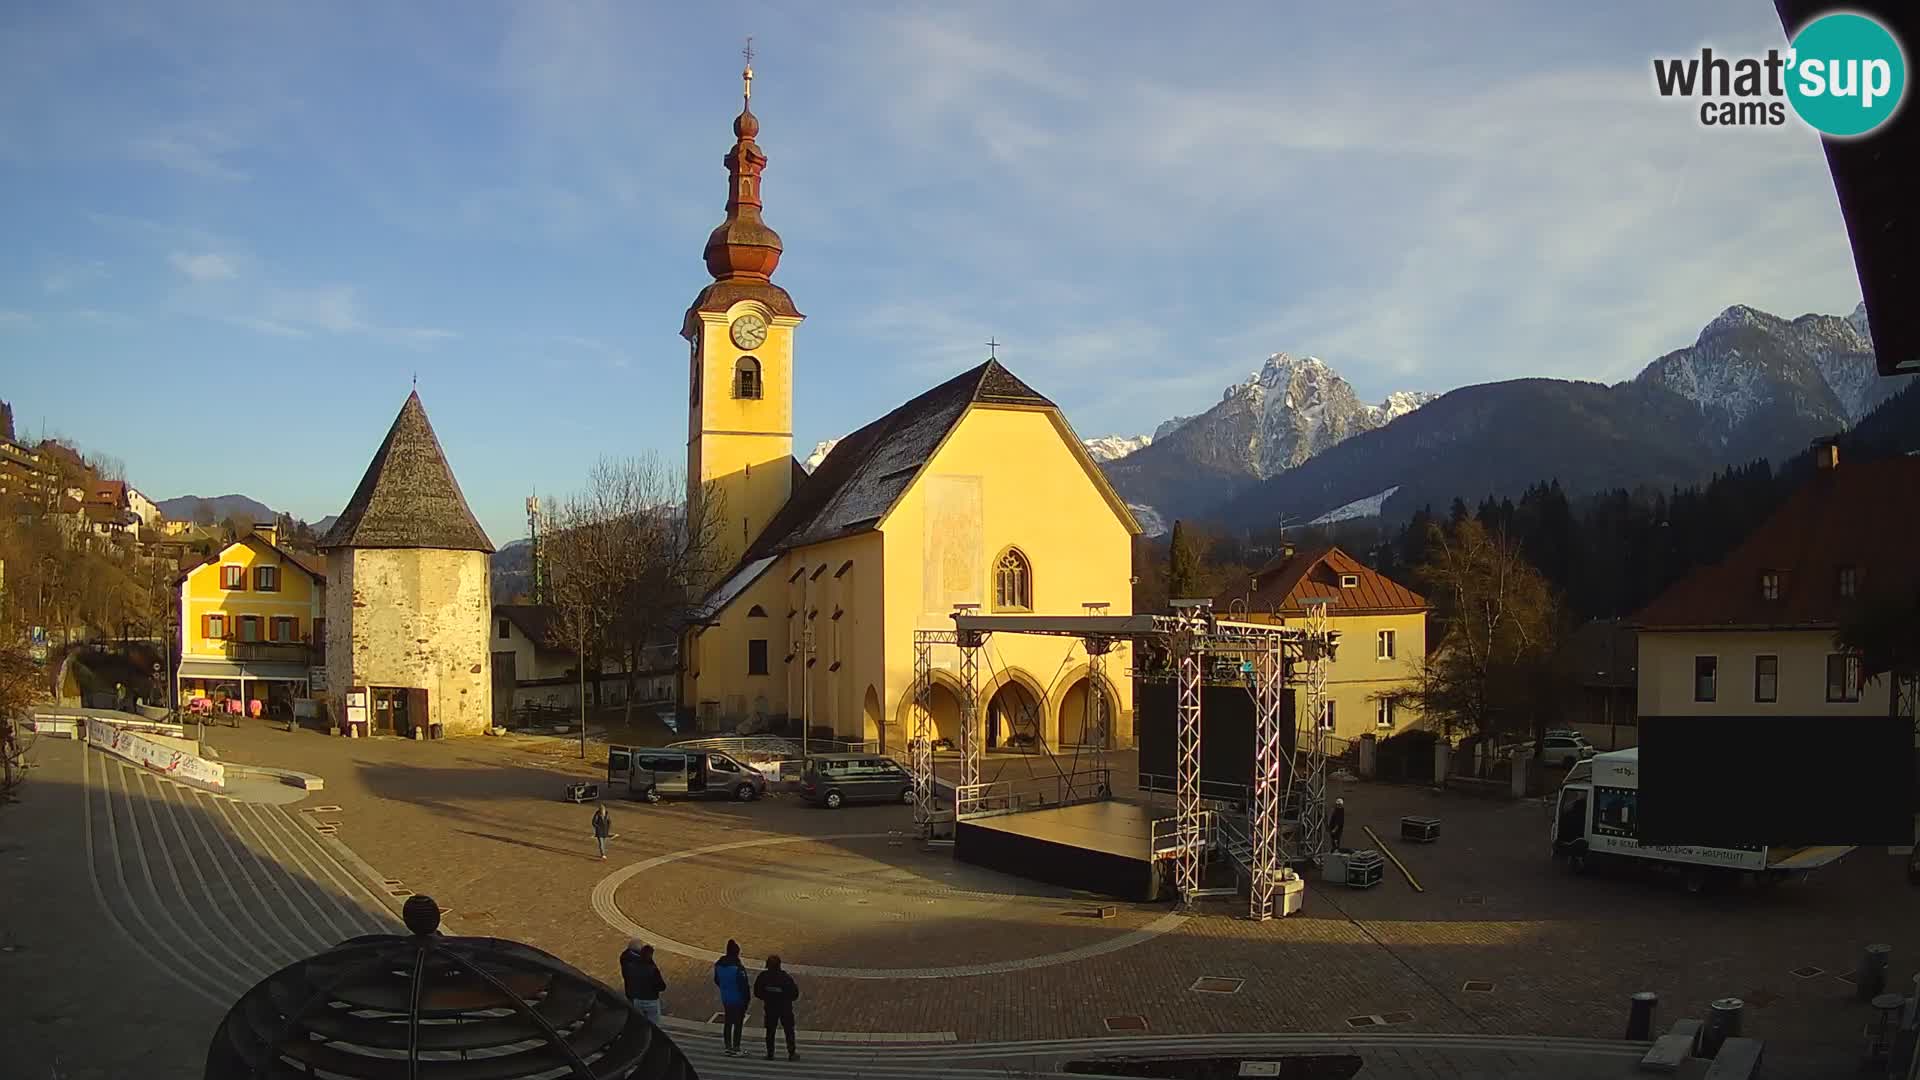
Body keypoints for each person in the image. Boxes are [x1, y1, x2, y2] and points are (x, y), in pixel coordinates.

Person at [753, 954, 801, 1060]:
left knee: (770, 1031)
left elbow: (757, 992)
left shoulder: (763, 977)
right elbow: (795, 994)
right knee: (789, 1030)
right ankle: (791, 1053)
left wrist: (767, 997)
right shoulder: (785, 978)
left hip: (770, 1007)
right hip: (785, 1008)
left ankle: (770, 1053)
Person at [713, 939, 752, 1056]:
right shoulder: (738, 968)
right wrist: (746, 1001)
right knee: (738, 1023)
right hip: (738, 998)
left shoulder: (719, 965)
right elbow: (744, 986)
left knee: (728, 1022)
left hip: (726, 997)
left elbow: (717, 980)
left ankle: (728, 1045)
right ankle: (736, 1046)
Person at [620, 939, 666, 1023]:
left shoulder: (626, 960)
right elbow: (661, 986)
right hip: (650, 1000)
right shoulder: (651, 969)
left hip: (635, 997)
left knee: (637, 1022)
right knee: (653, 1025)